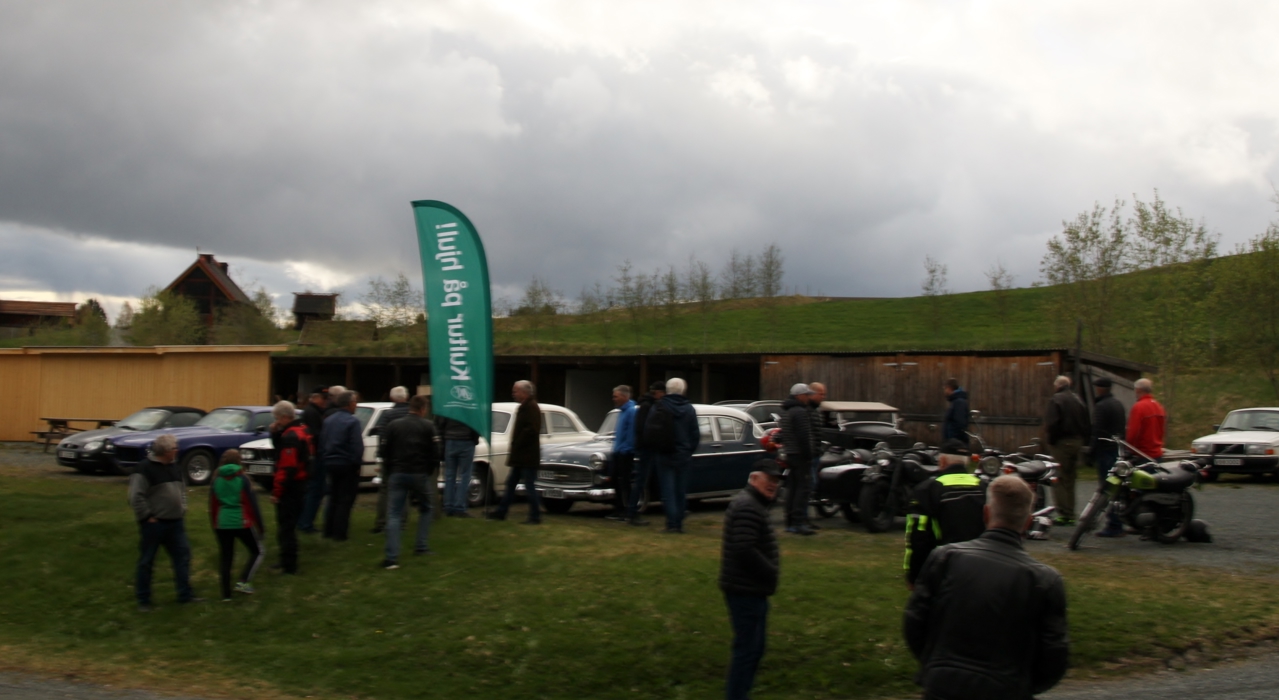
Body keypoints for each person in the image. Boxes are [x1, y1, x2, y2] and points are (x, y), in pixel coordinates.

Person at [903, 475, 1069, 699]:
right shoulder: (1044, 580)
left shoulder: (945, 557)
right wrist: (1022, 685)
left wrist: (935, 667)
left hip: (943, 684)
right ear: (1028, 522)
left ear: (986, 513)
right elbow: (1054, 655)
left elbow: (915, 622)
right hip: (1005, 688)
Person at [719, 459, 783, 700]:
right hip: (745, 590)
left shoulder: (754, 504)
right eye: (769, 479)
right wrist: (770, 571)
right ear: (754, 478)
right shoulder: (748, 506)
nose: (773, 484)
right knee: (747, 651)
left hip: (750, 589)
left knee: (753, 649)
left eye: (776, 481)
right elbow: (744, 548)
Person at [127, 433, 201, 611]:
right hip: (154, 524)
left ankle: (185, 595)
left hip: (176, 523)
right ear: (166, 451)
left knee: (182, 557)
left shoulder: (175, 467)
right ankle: (144, 600)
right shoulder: (144, 469)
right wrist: (147, 516)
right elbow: (135, 496)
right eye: (175, 448)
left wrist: (182, 507)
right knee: (147, 561)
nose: (177, 451)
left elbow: (182, 491)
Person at [903, 439, 986, 588]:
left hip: (944, 571)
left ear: (942, 461)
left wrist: (914, 575)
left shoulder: (927, 490)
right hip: (981, 569)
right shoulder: (984, 487)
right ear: (967, 463)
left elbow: (918, 537)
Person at [380, 395, 440, 569]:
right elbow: (436, 452)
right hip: (419, 473)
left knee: (394, 513)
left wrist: (390, 468)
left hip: (398, 472)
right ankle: (421, 545)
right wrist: (428, 470)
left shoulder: (394, 425)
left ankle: (391, 557)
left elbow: (384, 450)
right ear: (423, 409)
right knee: (426, 508)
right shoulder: (428, 426)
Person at [208, 450, 265, 601]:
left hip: (222, 522)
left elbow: (213, 505)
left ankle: (226, 595)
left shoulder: (216, 479)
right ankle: (244, 581)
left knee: (226, 557)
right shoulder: (243, 479)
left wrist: (215, 525)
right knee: (257, 551)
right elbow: (252, 505)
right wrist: (260, 527)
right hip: (241, 521)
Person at [487, 380, 543, 524]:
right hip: (521, 455)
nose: (513, 394)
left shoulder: (531, 407)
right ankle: (501, 512)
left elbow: (531, 429)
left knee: (529, 485)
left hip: (527, 455)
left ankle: (535, 516)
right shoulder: (524, 407)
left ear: (524, 392)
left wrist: (518, 442)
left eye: (515, 391)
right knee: (511, 483)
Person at [649, 377, 699, 534]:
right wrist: (688, 450)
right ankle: (679, 522)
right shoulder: (689, 409)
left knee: (668, 490)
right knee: (680, 490)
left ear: (667, 390)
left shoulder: (659, 406)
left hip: (664, 452)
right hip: (683, 454)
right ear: (683, 390)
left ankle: (671, 523)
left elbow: (650, 429)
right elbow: (695, 434)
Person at [269, 400, 311, 574]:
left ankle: (289, 565)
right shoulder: (302, 429)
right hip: (301, 483)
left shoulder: (291, 436)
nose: (276, 422)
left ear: (284, 417)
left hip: (291, 487)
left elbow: (287, 467)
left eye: (278, 419)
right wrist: (275, 433)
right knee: (289, 526)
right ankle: (286, 560)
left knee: (286, 528)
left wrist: (277, 492)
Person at [1044, 375, 1091, 525]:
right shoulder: (1078, 400)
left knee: (1058, 477)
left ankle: (1063, 513)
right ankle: (1071, 511)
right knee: (1071, 478)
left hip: (1062, 442)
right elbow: (1087, 423)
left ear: (1058, 385)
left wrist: (1051, 441)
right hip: (1077, 441)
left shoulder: (1056, 399)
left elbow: (1052, 424)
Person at [320, 390, 364, 541]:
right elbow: (356, 445)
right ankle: (340, 533)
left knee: (333, 497)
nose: (356, 405)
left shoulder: (328, 420)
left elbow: (323, 442)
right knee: (345, 499)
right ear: (350, 404)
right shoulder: (353, 422)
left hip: (330, 462)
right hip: (346, 463)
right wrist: (357, 463)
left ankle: (328, 529)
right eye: (355, 402)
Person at [1090, 377, 1128, 538]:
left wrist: (1091, 451)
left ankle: (1114, 524)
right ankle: (1119, 520)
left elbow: (1097, 431)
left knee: (1107, 489)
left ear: (1100, 389)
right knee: (1117, 487)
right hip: (1117, 450)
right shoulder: (1118, 404)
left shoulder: (1101, 406)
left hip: (1105, 450)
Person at [371, 386, 411, 534]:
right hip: (408, 458)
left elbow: (382, 437)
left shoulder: (388, 415)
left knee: (385, 490)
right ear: (406, 397)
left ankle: (381, 522)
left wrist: (382, 455)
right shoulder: (412, 414)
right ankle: (402, 522)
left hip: (391, 458)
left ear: (392, 398)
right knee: (404, 489)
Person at [298, 386, 338, 534]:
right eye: (323, 398)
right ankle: (306, 523)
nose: (325, 401)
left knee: (317, 490)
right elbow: (316, 436)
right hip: (315, 457)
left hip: (315, 456)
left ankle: (305, 521)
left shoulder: (314, 411)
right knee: (315, 490)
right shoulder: (312, 413)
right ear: (315, 398)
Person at [779, 383, 816, 535]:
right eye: (806, 395)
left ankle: (789, 522)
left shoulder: (786, 411)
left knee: (792, 488)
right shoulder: (800, 412)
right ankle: (798, 522)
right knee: (802, 488)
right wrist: (809, 455)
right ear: (799, 396)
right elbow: (803, 436)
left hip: (790, 454)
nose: (808, 398)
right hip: (800, 455)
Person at [628, 381, 666, 527]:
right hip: (647, 448)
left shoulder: (646, 405)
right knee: (642, 480)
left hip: (647, 447)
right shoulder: (648, 406)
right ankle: (632, 512)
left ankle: (633, 511)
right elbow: (641, 428)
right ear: (658, 393)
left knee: (647, 480)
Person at [437, 412, 481, 517]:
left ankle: (448, 505)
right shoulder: (471, 406)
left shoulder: (448, 405)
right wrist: (474, 439)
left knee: (449, 475)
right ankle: (459, 507)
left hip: (450, 440)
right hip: (466, 440)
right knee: (465, 475)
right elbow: (476, 423)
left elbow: (440, 423)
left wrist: (443, 439)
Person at [606, 385, 637, 522]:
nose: (614, 399)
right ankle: (618, 509)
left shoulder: (631, 411)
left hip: (625, 453)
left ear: (624, 397)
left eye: (616, 396)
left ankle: (627, 509)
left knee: (625, 482)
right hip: (618, 451)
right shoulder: (621, 412)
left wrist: (625, 450)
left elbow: (631, 434)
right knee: (616, 481)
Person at [1126, 378, 1165, 461]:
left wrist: (1128, 449)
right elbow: (1161, 431)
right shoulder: (1158, 406)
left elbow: (1133, 433)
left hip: (1142, 454)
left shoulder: (1139, 407)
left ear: (1138, 390)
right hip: (1157, 454)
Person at [941, 378, 969, 444]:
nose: (944, 391)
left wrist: (953, 441)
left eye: (945, 388)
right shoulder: (955, 402)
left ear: (949, 388)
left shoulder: (959, 402)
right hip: (952, 442)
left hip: (955, 443)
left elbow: (960, 423)